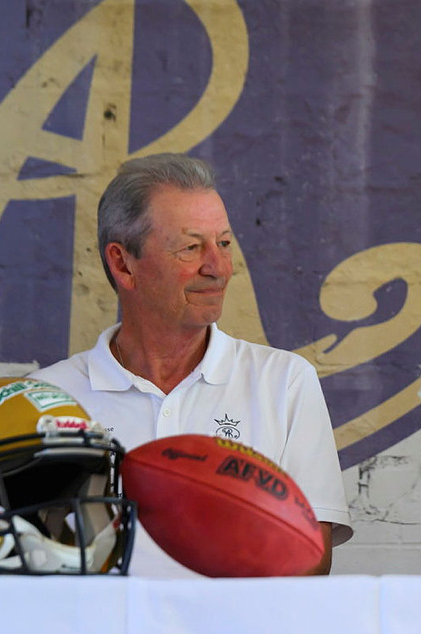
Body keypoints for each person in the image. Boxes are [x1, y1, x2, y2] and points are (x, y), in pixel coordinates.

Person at [31, 152, 351, 576]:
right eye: (190, 247)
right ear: (123, 263)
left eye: (222, 243)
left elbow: (311, 562)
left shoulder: (285, 382)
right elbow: (24, 569)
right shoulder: (44, 399)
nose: (218, 268)